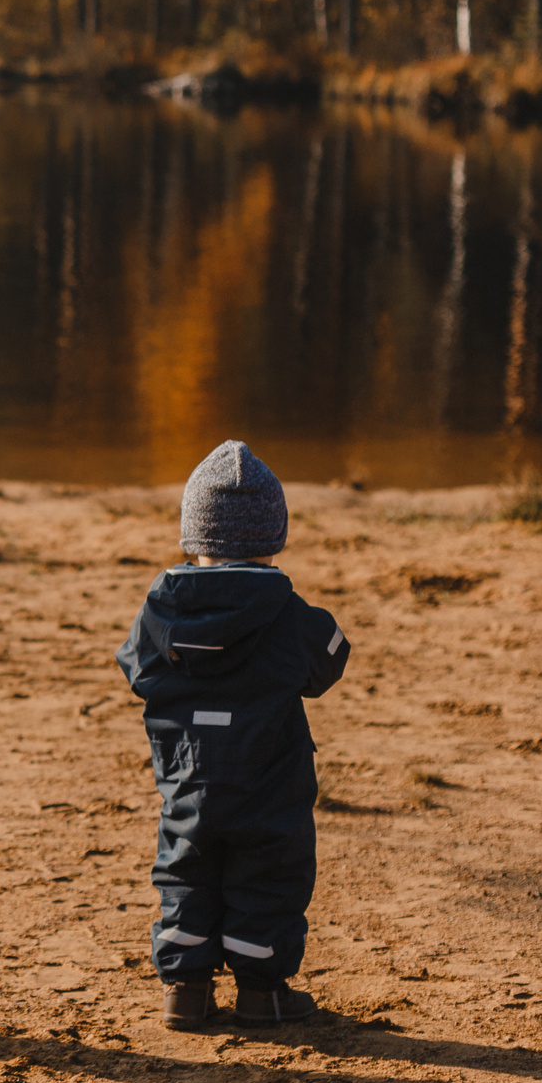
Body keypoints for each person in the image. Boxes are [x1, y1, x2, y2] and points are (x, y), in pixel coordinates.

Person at [116, 440, 351, 1030]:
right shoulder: (287, 611)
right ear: (272, 536)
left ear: (193, 535)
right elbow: (330, 659)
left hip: (187, 770)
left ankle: (185, 992)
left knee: (185, 864)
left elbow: (136, 669)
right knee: (269, 869)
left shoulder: (161, 608)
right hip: (270, 774)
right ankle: (261, 992)